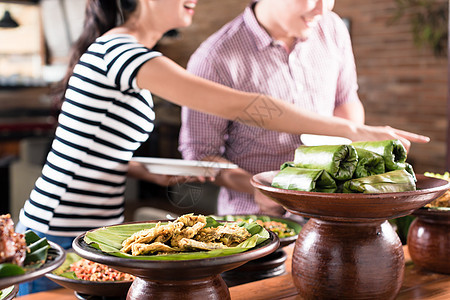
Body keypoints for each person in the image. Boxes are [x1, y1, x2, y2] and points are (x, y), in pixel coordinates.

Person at [17, 0, 428, 295]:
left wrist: (153, 170)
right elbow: (251, 107)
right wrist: (354, 130)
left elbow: (102, 154)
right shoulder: (120, 51)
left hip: (97, 226)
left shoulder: (126, 51)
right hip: (61, 225)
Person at [178, 0, 407, 216]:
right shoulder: (213, 58)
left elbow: (345, 100)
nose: (322, 9)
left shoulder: (332, 27)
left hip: (331, 209)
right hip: (258, 218)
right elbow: (201, 155)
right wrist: (258, 188)